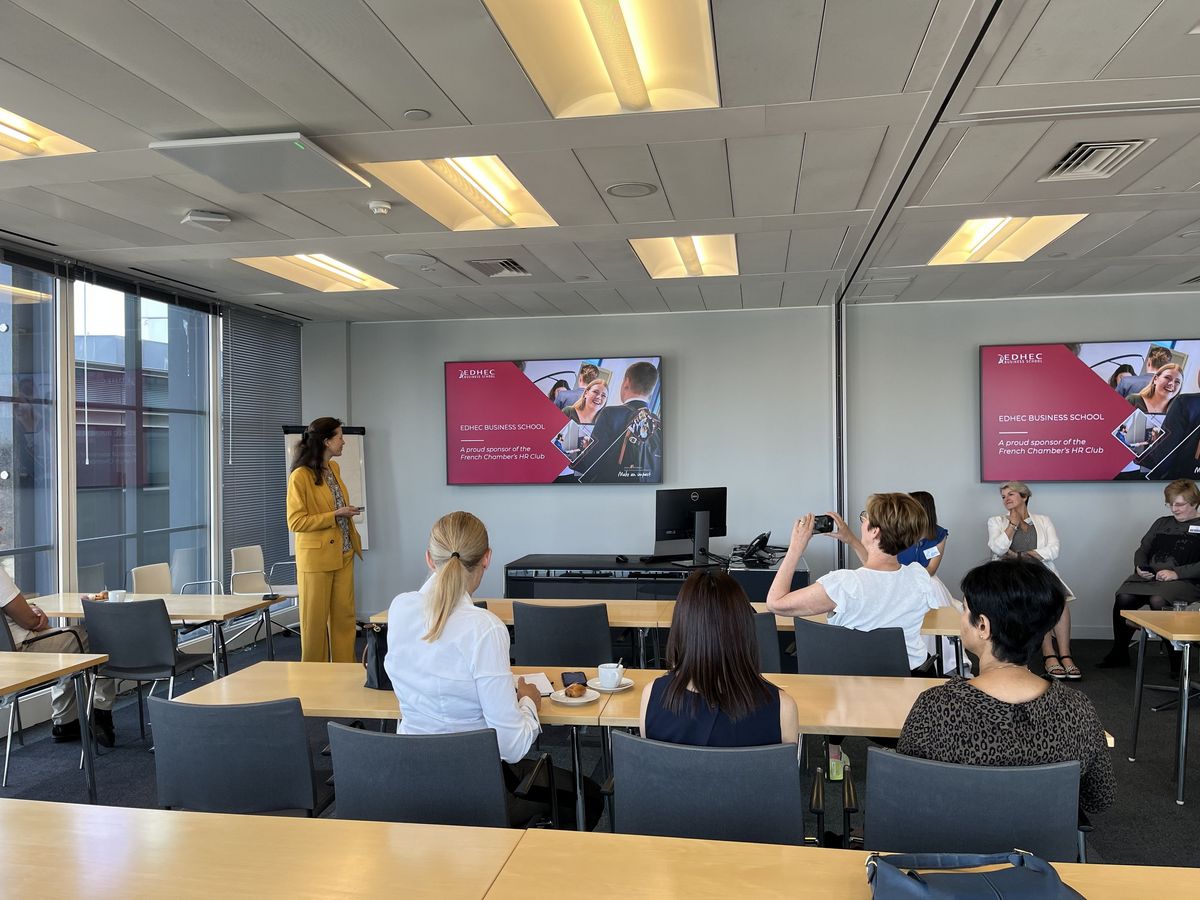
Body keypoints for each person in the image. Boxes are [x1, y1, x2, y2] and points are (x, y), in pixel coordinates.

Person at [384, 511, 602, 830]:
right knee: (590, 797)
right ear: (487, 558)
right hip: (475, 789)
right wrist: (529, 702)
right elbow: (511, 747)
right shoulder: (484, 628)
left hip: (409, 784)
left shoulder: (400, 608)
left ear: (429, 559)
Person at [897, 558, 1115, 815]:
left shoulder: (937, 707)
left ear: (983, 626)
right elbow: (1099, 798)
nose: (961, 617)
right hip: (1040, 840)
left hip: (954, 838)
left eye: (964, 609)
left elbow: (905, 792)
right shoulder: (1077, 710)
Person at [766, 493, 941, 779]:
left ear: (874, 531)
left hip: (842, 699)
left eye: (865, 518)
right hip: (903, 700)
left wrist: (796, 548)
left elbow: (775, 603)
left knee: (839, 667)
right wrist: (851, 540)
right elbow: (883, 574)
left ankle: (834, 754)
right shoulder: (919, 578)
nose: (862, 522)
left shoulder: (843, 585)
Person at [639, 570, 799, 746]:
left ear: (681, 627)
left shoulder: (652, 697)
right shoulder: (782, 709)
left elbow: (650, 762)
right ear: (745, 628)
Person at [0, 569, 116, 746]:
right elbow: (29, 620)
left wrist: (31, 608)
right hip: (22, 654)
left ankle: (66, 722)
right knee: (98, 636)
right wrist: (35, 615)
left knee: (68, 646)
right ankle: (101, 711)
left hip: (6, 660)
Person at [1098, 479, 1200, 671]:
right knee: (1124, 597)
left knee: (1158, 600)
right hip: (1151, 579)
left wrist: (1176, 573)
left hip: (1186, 581)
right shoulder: (1161, 523)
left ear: (1194, 503)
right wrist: (1140, 566)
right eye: (1170, 504)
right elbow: (1143, 549)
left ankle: (1177, 661)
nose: (1174, 509)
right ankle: (1119, 652)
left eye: (1179, 504)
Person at [286, 417, 362, 663]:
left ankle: (345, 672)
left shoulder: (334, 469)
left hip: (344, 553)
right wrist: (335, 515)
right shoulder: (300, 476)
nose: (344, 441)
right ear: (327, 441)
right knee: (314, 624)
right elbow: (296, 522)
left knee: (345, 619)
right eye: (340, 436)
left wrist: (343, 512)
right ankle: (313, 677)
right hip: (316, 560)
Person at [987, 481, 1078, 680]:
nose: (1006, 499)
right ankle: (1049, 654)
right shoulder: (996, 521)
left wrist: (1020, 555)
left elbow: (1054, 550)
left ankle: (1065, 655)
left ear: (1024, 496)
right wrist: (1012, 525)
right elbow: (998, 549)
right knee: (1038, 600)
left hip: (1039, 573)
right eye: (1003, 496)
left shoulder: (1043, 520)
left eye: (1011, 494)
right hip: (1009, 576)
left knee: (1060, 602)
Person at [570, 361, 662, 483]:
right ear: (651, 390)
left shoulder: (611, 413)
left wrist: (574, 454)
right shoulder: (658, 424)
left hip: (608, 487)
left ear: (626, 382)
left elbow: (590, 464)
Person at [897, 491, 948, 576]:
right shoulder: (897, 531)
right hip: (898, 578)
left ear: (923, 510)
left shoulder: (940, 534)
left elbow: (931, 570)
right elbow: (888, 566)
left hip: (924, 580)